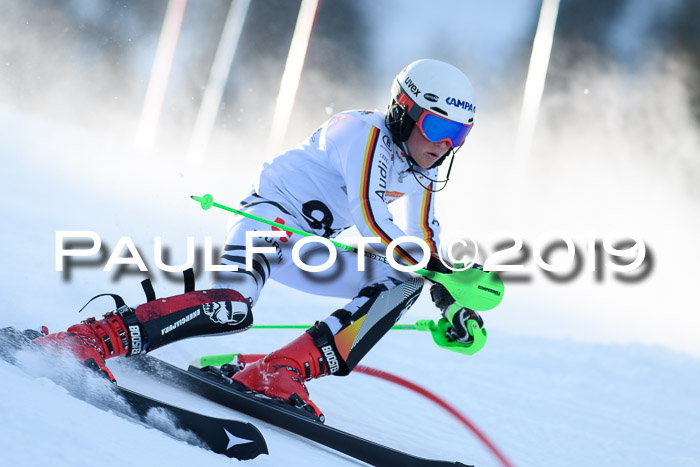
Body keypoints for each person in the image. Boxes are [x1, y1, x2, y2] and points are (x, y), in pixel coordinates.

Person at [34, 59, 484, 422]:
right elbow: (371, 217)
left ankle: (278, 371)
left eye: (458, 135)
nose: (444, 145)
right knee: (233, 307)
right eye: (435, 127)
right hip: (267, 224)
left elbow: (424, 240)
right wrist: (439, 270)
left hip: (308, 246)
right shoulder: (363, 133)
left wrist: (452, 302)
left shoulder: (419, 167)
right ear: (402, 111)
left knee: (400, 281)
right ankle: (89, 339)